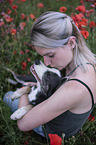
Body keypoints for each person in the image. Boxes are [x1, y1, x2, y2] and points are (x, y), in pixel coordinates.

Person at [3, 11, 96, 139]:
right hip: (62, 113)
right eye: (43, 56)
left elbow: (23, 124)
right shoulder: (89, 62)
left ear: (71, 43)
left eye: (50, 55)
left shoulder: (74, 88)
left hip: (53, 131)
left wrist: (24, 90)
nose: (46, 62)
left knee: (8, 96)